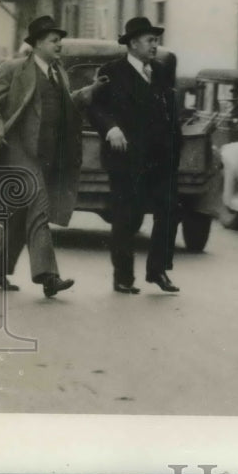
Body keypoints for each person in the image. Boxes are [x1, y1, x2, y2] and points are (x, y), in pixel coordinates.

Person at [0, 15, 103, 298]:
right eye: (54, 41)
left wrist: (92, 90)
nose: (60, 45)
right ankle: (48, 276)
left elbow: (69, 106)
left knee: (20, 217)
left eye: (60, 41)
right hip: (18, 152)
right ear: (37, 44)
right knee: (39, 209)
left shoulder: (60, 73)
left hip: (48, 156)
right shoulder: (13, 69)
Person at [89, 17, 182, 294]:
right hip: (126, 159)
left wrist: (175, 144)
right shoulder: (111, 71)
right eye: (150, 40)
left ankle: (158, 270)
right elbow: (95, 108)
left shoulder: (162, 71)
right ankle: (123, 277)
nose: (155, 45)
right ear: (132, 43)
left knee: (170, 210)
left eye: (156, 40)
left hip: (160, 158)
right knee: (126, 217)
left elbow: (170, 110)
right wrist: (111, 128)